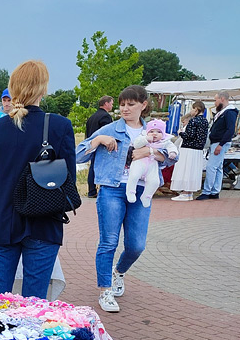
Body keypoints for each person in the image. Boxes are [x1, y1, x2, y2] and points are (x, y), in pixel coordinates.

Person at [75, 85, 177, 313]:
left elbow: (171, 157)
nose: (125, 108)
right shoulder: (110, 129)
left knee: (136, 245)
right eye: (122, 104)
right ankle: (105, 291)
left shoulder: (153, 131)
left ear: (143, 105)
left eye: (131, 104)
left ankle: (118, 272)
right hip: (112, 189)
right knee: (109, 241)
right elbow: (78, 154)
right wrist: (99, 139)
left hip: (142, 192)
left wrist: (150, 152)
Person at [0, 60, 76, 299]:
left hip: (3, 219)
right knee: (35, 302)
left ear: (12, 90)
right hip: (44, 220)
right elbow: (69, 179)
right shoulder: (60, 126)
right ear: (43, 89)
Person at [196, 91, 238, 200]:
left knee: (211, 167)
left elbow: (230, 130)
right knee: (218, 167)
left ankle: (207, 191)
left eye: (216, 100)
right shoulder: (224, 112)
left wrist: (221, 144)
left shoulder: (229, 112)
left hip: (219, 142)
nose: (215, 103)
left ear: (222, 99)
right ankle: (215, 191)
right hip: (217, 142)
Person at [170, 101, 209, 201]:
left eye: (192, 109)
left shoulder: (193, 121)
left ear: (196, 109)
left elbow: (190, 136)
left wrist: (181, 133)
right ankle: (190, 192)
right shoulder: (205, 121)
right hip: (198, 149)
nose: (191, 111)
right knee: (192, 170)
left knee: (185, 169)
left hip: (188, 148)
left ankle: (185, 192)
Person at [84, 96, 114, 198]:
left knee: (92, 167)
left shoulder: (92, 117)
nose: (112, 106)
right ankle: (103, 190)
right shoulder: (105, 117)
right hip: (102, 146)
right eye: (111, 103)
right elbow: (108, 132)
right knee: (103, 167)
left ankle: (91, 190)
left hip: (92, 144)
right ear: (106, 104)